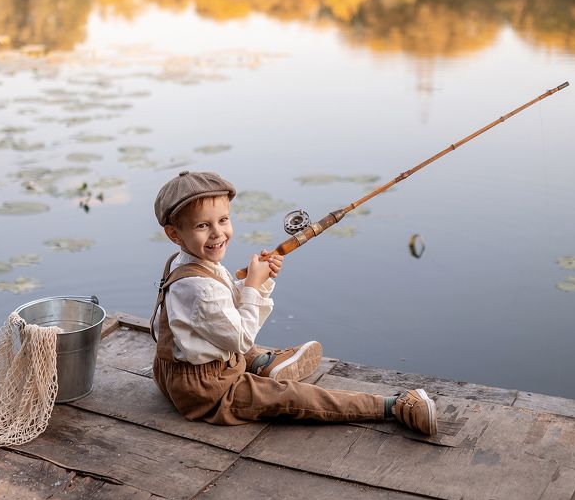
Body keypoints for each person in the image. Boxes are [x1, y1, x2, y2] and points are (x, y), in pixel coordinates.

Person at [149, 170, 437, 436]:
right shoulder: (199, 287)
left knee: (226, 335)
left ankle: (264, 362)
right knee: (288, 397)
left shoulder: (184, 262)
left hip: (173, 373)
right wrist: (251, 285)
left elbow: (219, 310)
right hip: (208, 392)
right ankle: (392, 406)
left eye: (223, 220)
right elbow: (240, 338)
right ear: (175, 233)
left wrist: (257, 281)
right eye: (203, 225)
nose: (217, 233)